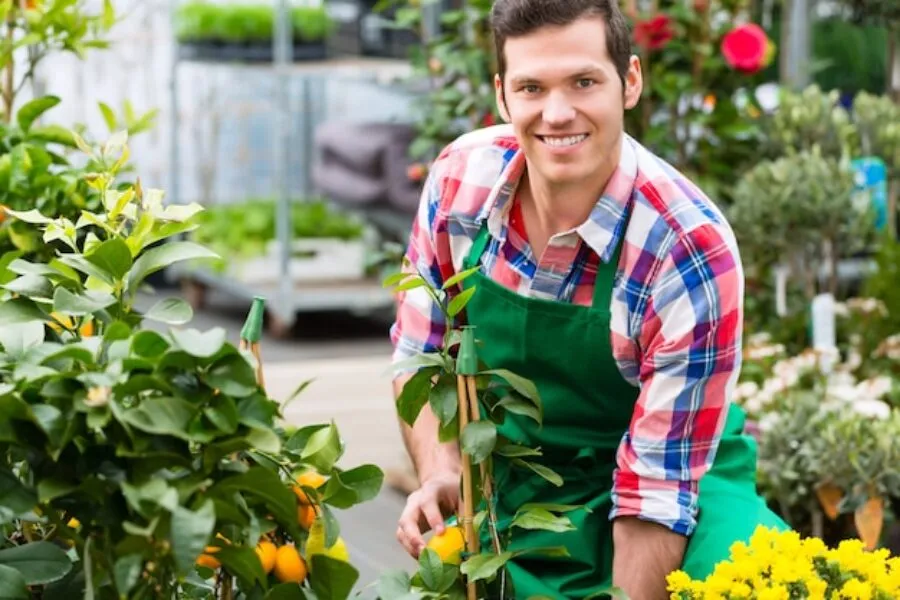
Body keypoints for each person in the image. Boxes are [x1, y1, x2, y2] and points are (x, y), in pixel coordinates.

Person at [389, 0, 788, 598]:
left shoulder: (686, 247)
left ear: (629, 81)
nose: (556, 112)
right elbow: (420, 358)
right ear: (503, 96)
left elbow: (656, 494)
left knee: (753, 583)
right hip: (515, 482)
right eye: (532, 87)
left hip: (679, 480)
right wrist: (443, 470)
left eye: (583, 82)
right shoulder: (458, 184)